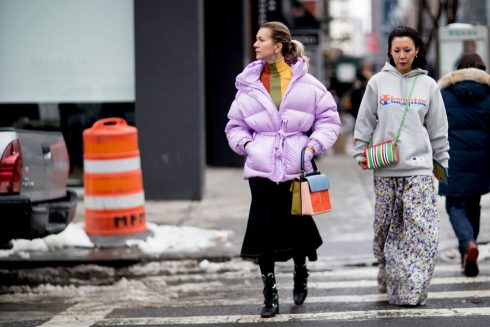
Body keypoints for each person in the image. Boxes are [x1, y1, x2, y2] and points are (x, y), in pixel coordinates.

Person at [225, 21, 340, 318]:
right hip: (262, 168)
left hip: (296, 166)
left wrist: (312, 147)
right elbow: (234, 125)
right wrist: (249, 146)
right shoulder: (248, 85)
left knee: (296, 227)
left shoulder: (308, 84)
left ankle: (301, 269)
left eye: (261, 40)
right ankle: (269, 291)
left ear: (278, 46)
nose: (255, 44)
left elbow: (329, 119)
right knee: (262, 230)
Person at [352, 26, 449, 306]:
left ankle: (411, 289)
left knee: (422, 233)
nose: (402, 55)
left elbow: (438, 129)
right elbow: (365, 121)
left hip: (418, 169)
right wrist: (361, 151)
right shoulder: (378, 83)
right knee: (386, 230)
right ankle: (386, 269)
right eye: (397, 50)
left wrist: (441, 163)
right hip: (386, 169)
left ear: (417, 50)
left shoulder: (429, 86)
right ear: (389, 51)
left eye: (407, 50)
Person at [438, 53, 490, 277]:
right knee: (473, 205)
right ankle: (467, 252)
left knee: (455, 205)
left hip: (453, 159)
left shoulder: (445, 94)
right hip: (481, 159)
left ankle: (467, 244)